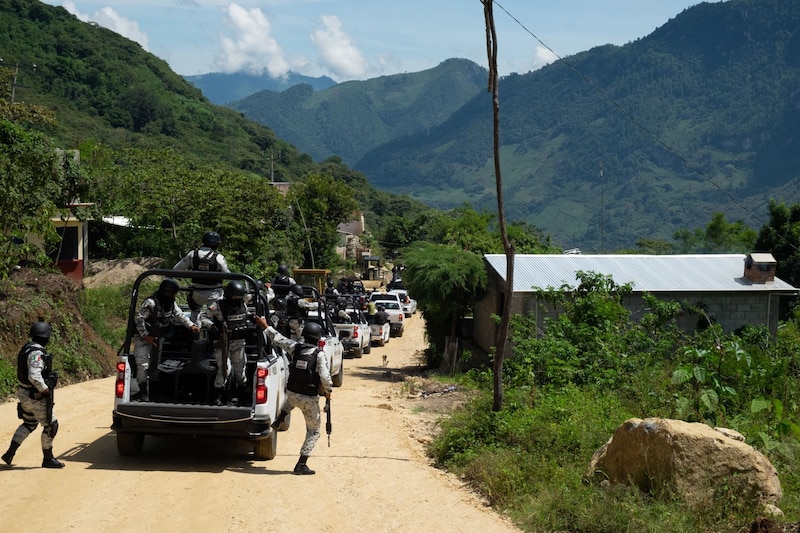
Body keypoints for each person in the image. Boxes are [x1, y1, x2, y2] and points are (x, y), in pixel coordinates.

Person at [254, 317, 332, 475]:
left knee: (292, 401)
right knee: (314, 431)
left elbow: (278, 339)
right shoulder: (319, 355)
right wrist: (329, 390)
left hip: (291, 393)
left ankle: (282, 415)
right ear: (318, 338)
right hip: (308, 398)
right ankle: (301, 464)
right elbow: (324, 377)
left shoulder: (295, 348)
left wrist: (265, 326)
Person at [2, 319, 64, 468]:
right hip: (35, 395)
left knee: (29, 423)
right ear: (45, 337)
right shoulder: (37, 353)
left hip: (24, 393)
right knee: (51, 425)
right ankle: (47, 458)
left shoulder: (27, 349)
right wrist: (45, 389)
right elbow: (34, 375)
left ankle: (10, 453)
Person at [133, 278, 200, 401]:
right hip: (143, 339)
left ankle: (152, 392)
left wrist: (191, 326)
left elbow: (179, 315)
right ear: (168, 292)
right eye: (174, 293)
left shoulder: (171, 303)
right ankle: (143, 393)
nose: (175, 296)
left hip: (159, 339)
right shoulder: (151, 303)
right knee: (143, 365)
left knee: (155, 366)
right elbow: (139, 319)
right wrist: (145, 336)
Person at [200, 280, 251, 405]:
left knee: (240, 371)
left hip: (239, 343)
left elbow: (246, 316)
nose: (236, 299)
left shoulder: (242, 304)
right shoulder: (218, 306)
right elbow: (203, 317)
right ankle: (217, 396)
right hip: (223, 343)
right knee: (224, 370)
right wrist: (213, 327)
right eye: (234, 297)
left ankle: (241, 395)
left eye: (239, 297)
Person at [173, 231, 231, 322]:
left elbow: (176, 270)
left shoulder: (192, 254)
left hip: (197, 294)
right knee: (217, 317)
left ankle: (194, 329)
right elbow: (228, 275)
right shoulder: (218, 257)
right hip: (214, 295)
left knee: (195, 314)